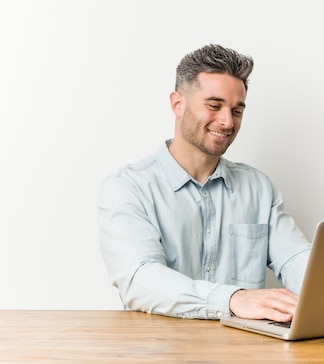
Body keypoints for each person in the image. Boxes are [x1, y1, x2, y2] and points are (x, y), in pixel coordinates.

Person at [98, 44, 311, 322]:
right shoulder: (127, 188)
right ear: (177, 103)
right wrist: (233, 299)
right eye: (214, 105)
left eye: (237, 111)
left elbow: (294, 257)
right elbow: (139, 277)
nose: (226, 121)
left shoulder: (257, 187)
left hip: (241, 352)